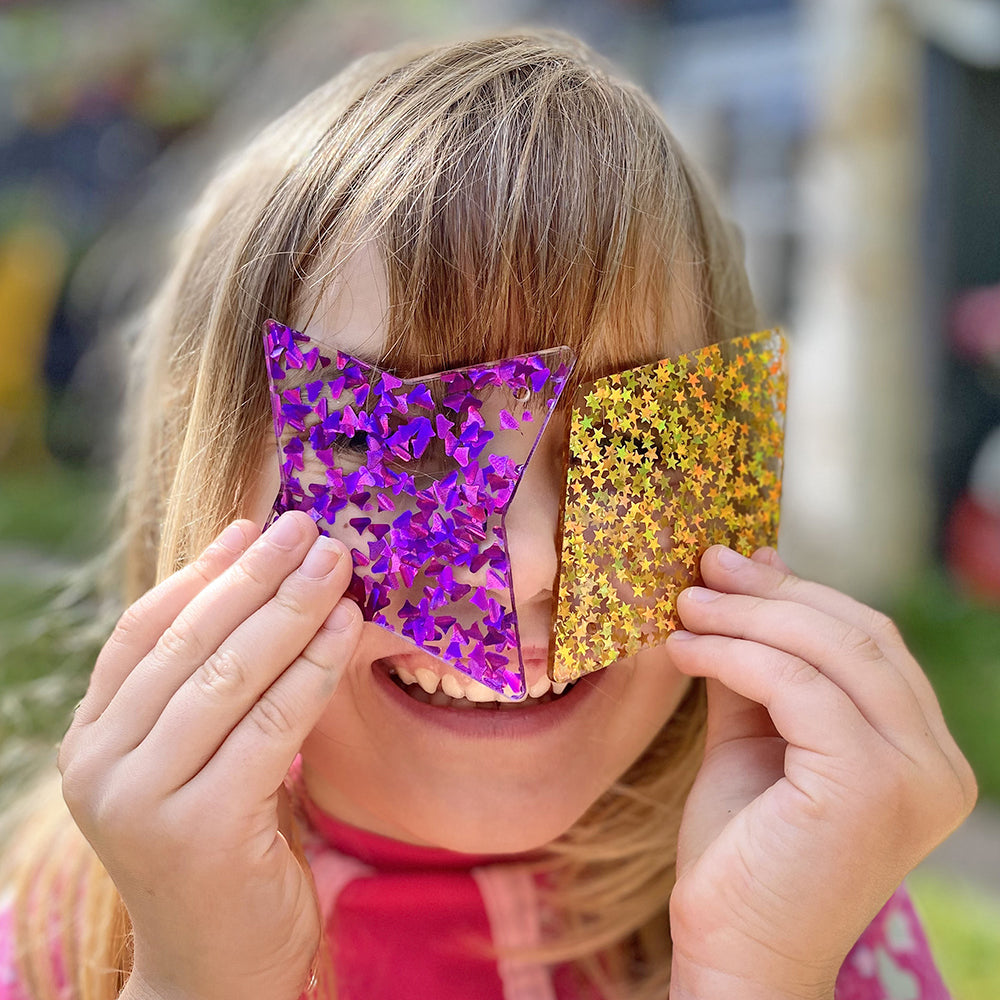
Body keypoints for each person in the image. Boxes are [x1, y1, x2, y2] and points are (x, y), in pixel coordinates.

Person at [0, 32, 976, 1000]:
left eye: (626, 449)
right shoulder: (70, 930)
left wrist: (760, 977)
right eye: (412, 450)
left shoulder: (813, 895)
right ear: (207, 477)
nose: (526, 569)